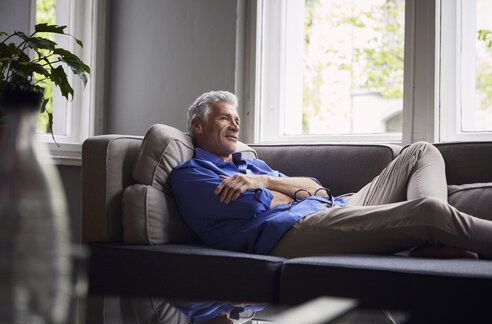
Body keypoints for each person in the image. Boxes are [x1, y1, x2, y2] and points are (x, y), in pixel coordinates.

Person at [171, 90, 492, 260]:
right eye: (225, 118)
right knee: (429, 212)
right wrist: (287, 193)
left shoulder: (251, 164)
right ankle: (432, 231)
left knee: (421, 151)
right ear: (198, 126)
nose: (236, 125)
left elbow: (316, 188)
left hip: (334, 207)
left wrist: (266, 182)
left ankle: (430, 242)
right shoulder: (191, 174)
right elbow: (250, 207)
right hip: (291, 232)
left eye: (237, 119)